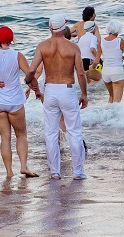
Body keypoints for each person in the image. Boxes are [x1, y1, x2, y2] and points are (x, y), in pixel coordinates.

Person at [0, 25, 39, 179]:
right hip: (14, 100)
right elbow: (29, 72)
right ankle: (24, 167)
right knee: (21, 135)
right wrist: (34, 88)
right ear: (11, 39)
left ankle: (9, 172)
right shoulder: (17, 55)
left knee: (5, 137)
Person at [35, 15, 89, 181]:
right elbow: (80, 73)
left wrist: (35, 89)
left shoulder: (42, 46)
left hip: (50, 89)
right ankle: (78, 172)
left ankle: (55, 172)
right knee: (74, 132)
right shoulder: (73, 47)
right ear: (63, 28)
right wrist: (84, 94)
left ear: (51, 28)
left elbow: (31, 71)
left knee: (51, 133)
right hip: (67, 89)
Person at [74, 7, 104, 92]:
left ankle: (87, 92)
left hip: (80, 60)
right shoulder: (93, 37)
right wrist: (98, 58)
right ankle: (89, 88)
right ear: (93, 28)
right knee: (100, 78)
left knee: (86, 80)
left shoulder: (82, 37)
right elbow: (92, 49)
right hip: (89, 60)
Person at [100, 19, 124, 103]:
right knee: (117, 102)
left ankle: (106, 116)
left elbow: (97, 59)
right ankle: (116, 116)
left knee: (111, 97)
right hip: (117, 71)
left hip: (106, 72)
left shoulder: (101, 41)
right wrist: (121, 57)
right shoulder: (120, 41)